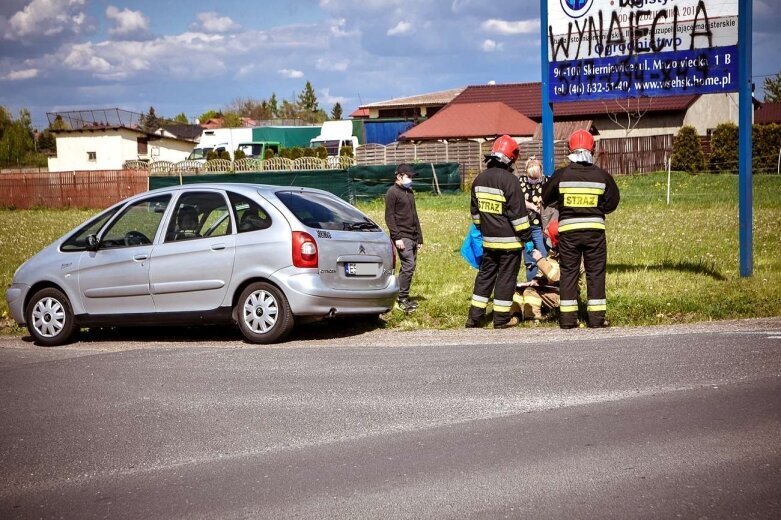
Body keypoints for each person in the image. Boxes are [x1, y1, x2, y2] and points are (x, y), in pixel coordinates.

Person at [541, 129, 620, 328]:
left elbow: (546, 198)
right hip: (595, 233)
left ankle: (567, 320)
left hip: (568, 234)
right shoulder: (602, 176)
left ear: (570, 149)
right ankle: (596, 319)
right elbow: (611, 205)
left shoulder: (561, 175)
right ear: (592, 149)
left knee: (569, 273)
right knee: (595, 273)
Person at [466, 135, 534, 329]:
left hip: (488, 241)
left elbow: (475, 212)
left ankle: (474, 318)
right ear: (510, 158)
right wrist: (527, 238)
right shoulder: (510, 181)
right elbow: (519, 216)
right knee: (506, 278)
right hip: (510, 243)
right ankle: (501, 319)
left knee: (485, 277)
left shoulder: (479, 179)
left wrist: (481, 229)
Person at [385, 163, 423, 313]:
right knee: (408, 265)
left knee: (409, 267)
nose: (410, 179)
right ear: (399, 176)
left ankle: (402, 296)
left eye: (411, 177)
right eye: (408, 176)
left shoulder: (409, 192)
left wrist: (420, 238)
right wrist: (397, 237)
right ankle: (401, 298)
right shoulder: (392, 193)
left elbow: (415, 216)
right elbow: (389, 217)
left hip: (413, 236)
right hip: (402, 236)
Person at [519, 156, 547, 280]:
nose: (534, 180)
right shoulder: (521, 182)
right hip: (525, 225)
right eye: (531, 177)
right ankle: (531, 282)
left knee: (543, 254)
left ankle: (545, 279)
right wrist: (531, 206)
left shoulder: (546, 181)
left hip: (539, 226)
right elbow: (517, 199)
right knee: (529, 256)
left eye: (536, 177)